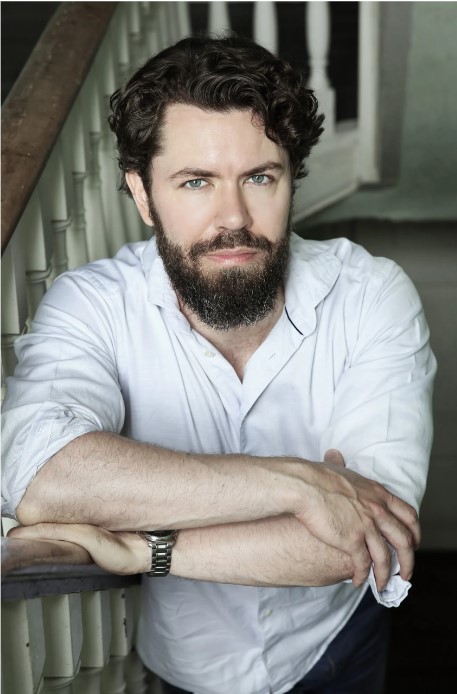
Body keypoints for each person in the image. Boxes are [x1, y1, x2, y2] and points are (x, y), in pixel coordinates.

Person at [2, 36, 435, 694]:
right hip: (188, 665)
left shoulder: (372, 295)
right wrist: (298, 484)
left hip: (336, 645)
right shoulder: (93, 304)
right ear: (143, 194)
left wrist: (146, 549)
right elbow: (38, 473)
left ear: (290, 179)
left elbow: (361, 537)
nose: (233, 217)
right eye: (196, 181)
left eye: (260, 177)